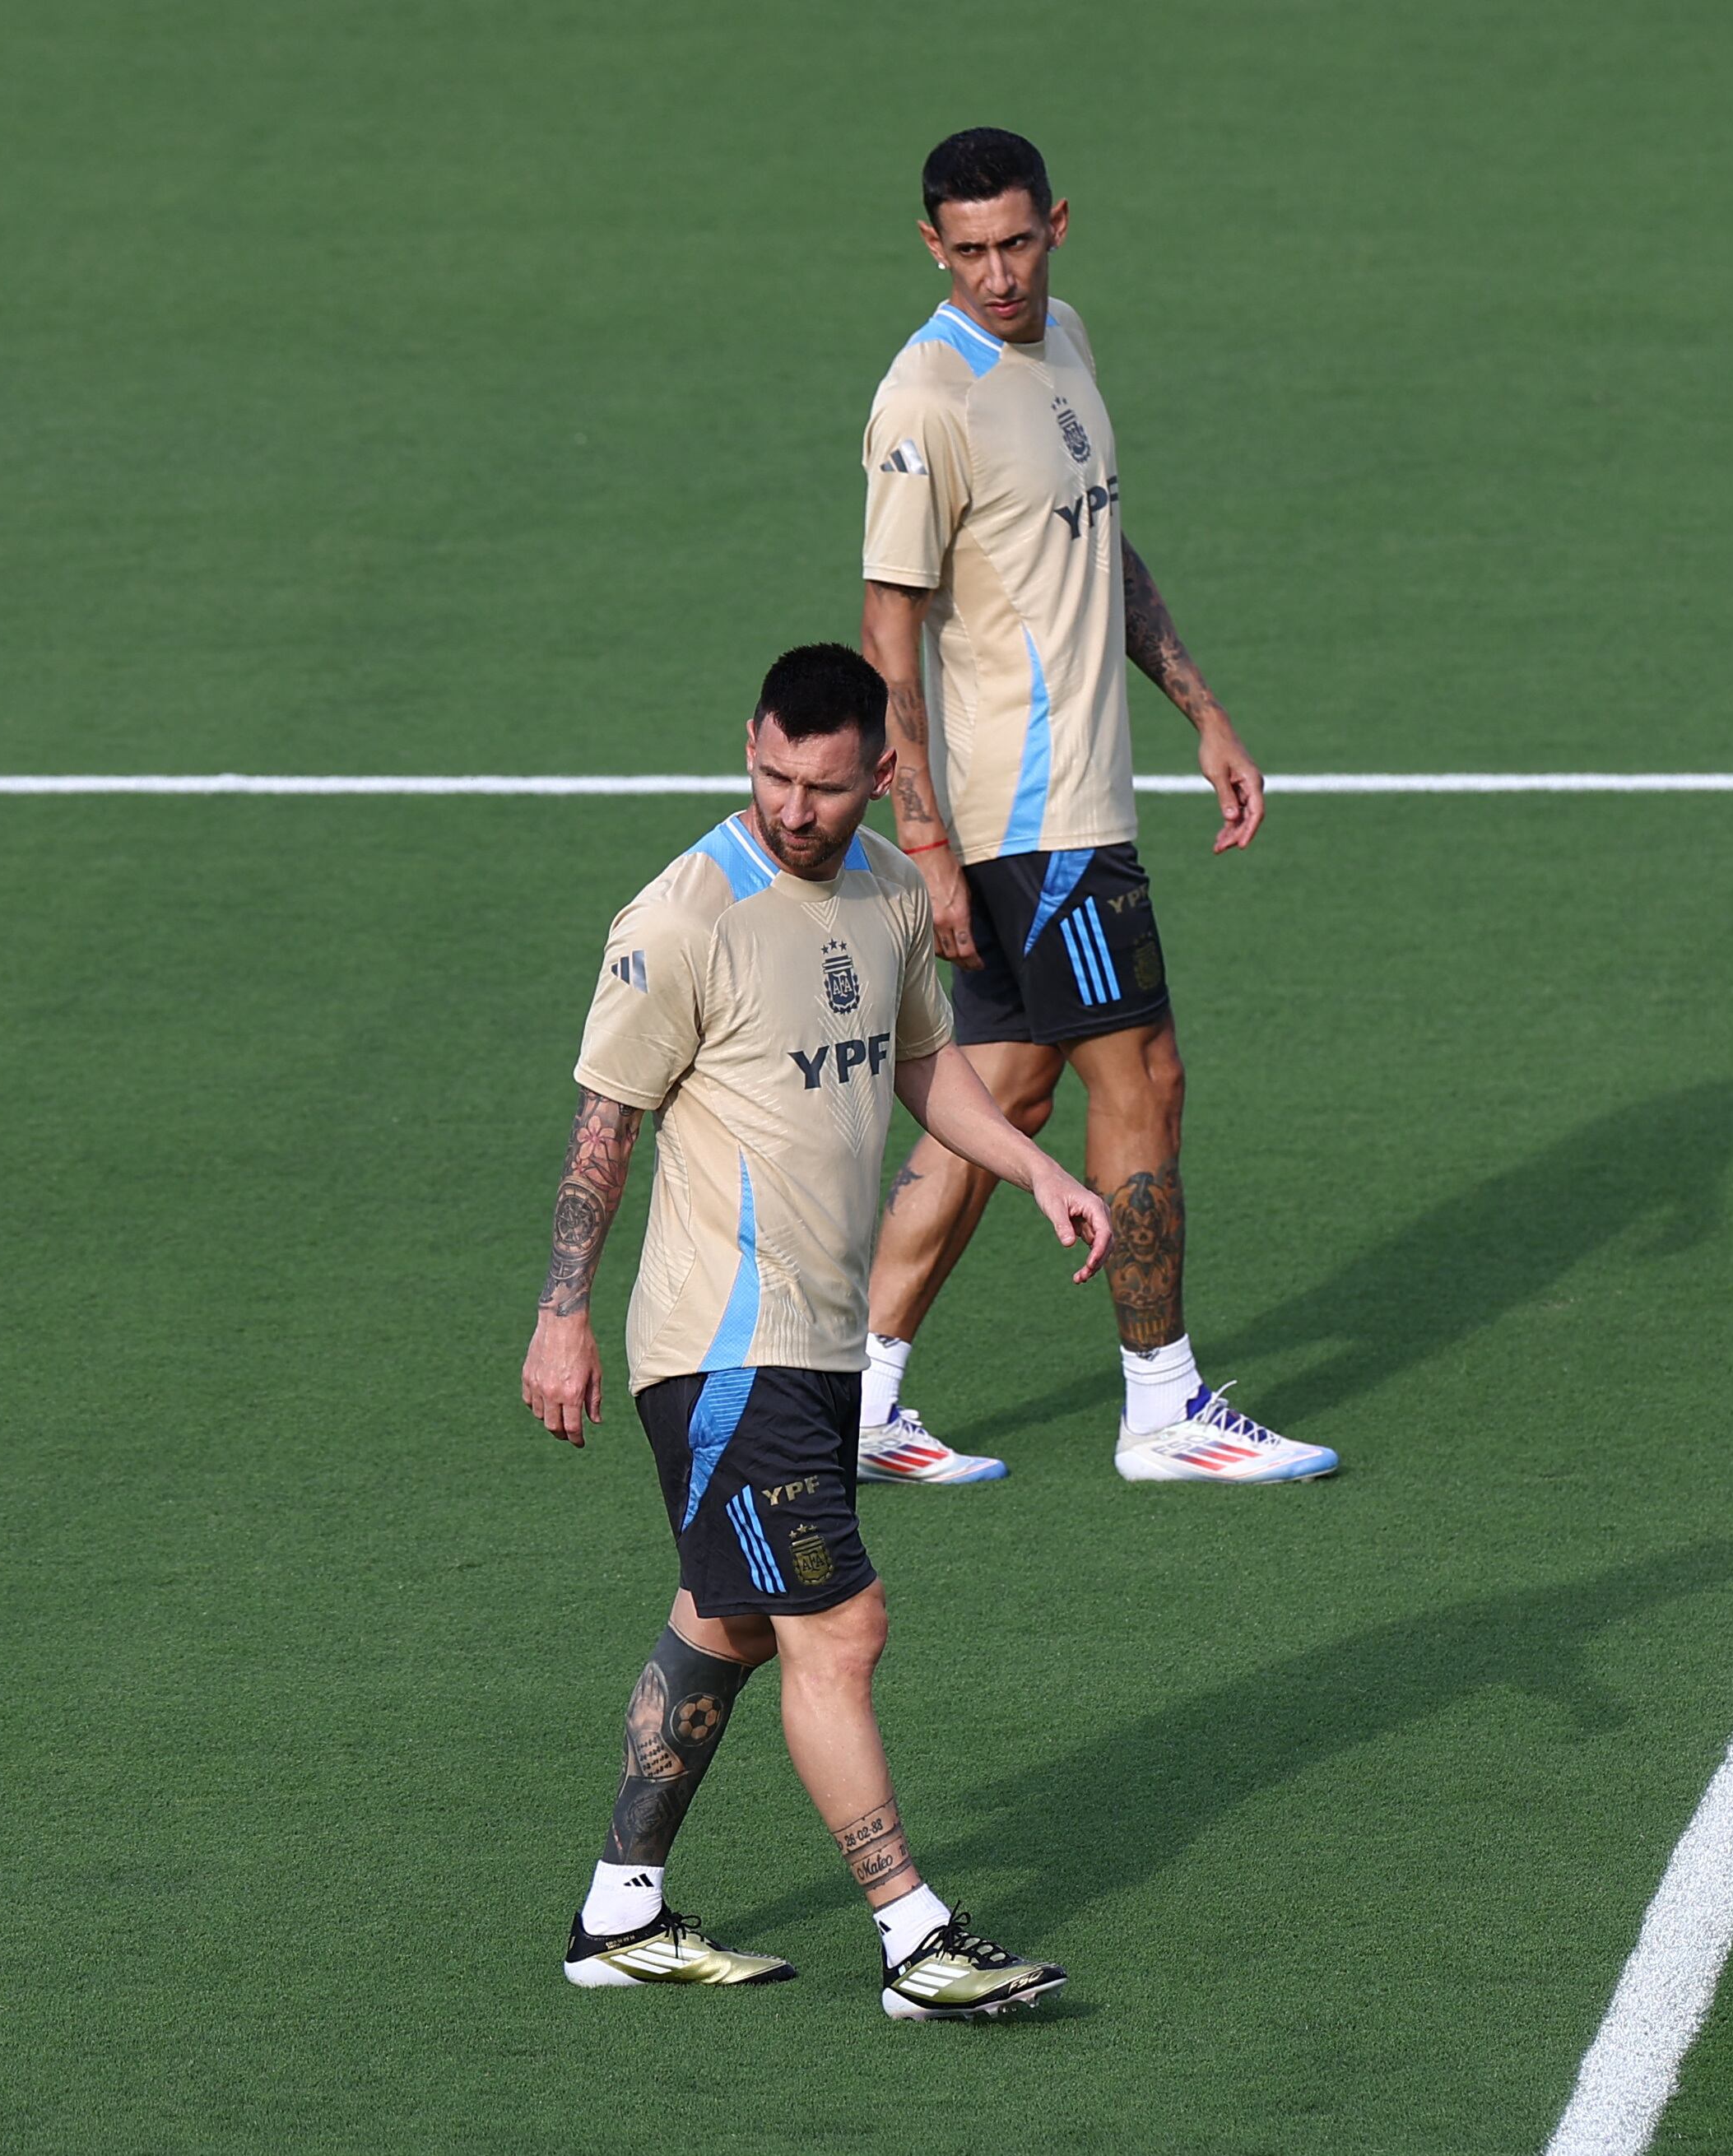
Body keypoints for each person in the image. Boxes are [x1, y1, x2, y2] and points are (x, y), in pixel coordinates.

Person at [520, 643, 1113, 2016]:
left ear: (880, 775)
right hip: (726, 1340)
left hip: (815, 1340)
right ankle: (915, 1939)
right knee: (837, 1627)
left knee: (727, 1620)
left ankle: (619, 1915)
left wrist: (1037, 1167)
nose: (796, 808)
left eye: (826, 786)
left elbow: (919, 1065)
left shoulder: (891, 891)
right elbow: (604, 1124)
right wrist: (563, 1316)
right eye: (775, 776)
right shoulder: (680, 918)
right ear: (750, 748)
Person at [852, 128, 1340, 1487]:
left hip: (1078, 803)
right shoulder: (923, 401)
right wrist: (930, 839)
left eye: (1017, 242)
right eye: (969, 252)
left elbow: (1096, 546)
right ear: (930, 248)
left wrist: (1203, 709)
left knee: (996, 1092)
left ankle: (861, 1395)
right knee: (1146, 1079)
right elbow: (888, 634)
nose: (999, 273)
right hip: (1030, 821)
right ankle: (1162, 1406)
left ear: (1055, 222)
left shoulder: (1060, 335)